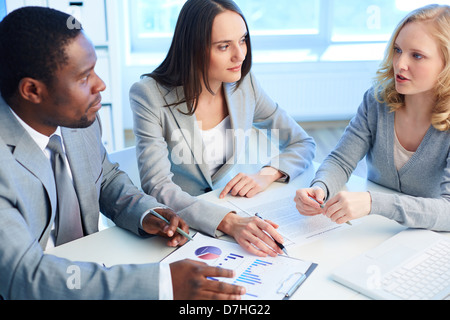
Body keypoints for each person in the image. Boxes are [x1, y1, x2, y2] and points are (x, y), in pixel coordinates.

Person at [0, 6, 246, 300]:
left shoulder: (77, 117)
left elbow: (104, 179)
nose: (100, 84)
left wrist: (146, 213)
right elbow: (26, 277)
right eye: (83, 77)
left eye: (94, 69)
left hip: (95, 265)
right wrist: (163, 284)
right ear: (32, 90)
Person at [130, 0, 316, 257]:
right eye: (224, 46)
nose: (240, 55)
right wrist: (228, 221)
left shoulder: (243, 84)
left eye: (243, 40)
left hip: (234, 210)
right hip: (179, 227)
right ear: (193, 49)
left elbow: (302, 142)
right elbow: (158, 185)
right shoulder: (149, 95)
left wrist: (268, 174)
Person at [294, 4, 450, 231]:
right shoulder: (377, 101)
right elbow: (341, 160)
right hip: (375, 229)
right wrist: (321, 187)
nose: (400, 64)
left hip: (428, 240)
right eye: (397, 50)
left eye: (417, 55)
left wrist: (373, 202)